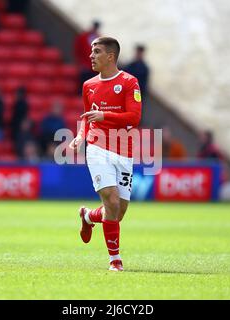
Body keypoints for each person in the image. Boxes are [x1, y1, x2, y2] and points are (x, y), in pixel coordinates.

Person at [69, 37, 142, 272]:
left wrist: (104, 116)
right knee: (110, 200)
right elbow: (87, 117)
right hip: (97, 147)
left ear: (110, 56)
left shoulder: (129, 82)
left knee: (117, 213)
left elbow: (134, 117)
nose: (91, 56)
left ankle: (89, 216)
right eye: (91, 51)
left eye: (96, 51)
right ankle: (115, 260)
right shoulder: (88, 85)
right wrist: (81, 136)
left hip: (124, 150)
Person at [74, 20, 101, 92]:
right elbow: (78, 49)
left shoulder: (99, 38)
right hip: (85, 65)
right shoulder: (84, 37)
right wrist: (80, 63)